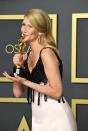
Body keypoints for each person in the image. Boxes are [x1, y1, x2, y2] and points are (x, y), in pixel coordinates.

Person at [3, 9, 77, 131]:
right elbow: (17, 93)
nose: (24, 30)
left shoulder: (46, 53)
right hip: (38, 118)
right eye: (23, 24)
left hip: (57, 118)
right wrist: (18, 66)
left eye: (30, 26)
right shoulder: (27, 55)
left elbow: (57, 92)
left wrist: (26, 82)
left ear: (41, 31)